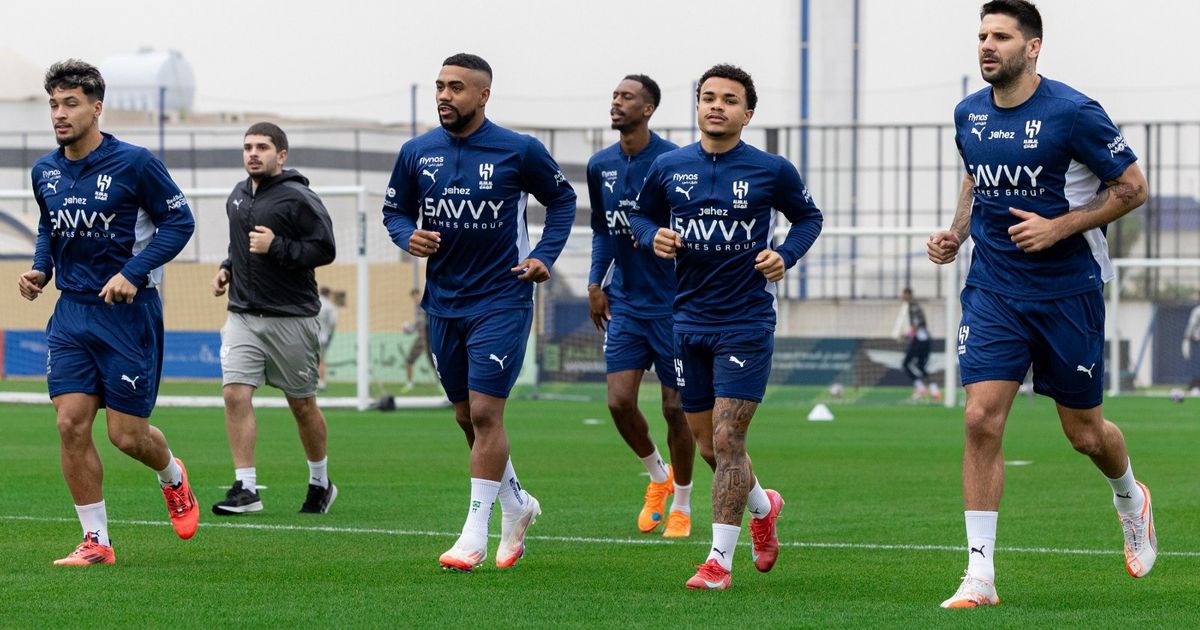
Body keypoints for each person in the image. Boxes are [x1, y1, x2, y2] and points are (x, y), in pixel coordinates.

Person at [928, 0, 1155, 608]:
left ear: (1032, 48)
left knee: (1084, 433)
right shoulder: (967, 114)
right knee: (980, 418)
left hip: (1068, 290)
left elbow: (1133, 187)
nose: (986, 45)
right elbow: (977, 176)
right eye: (981, 35)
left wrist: (1059, 227)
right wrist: (957, 233)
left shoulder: (1073, 112)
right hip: (994, 288)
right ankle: (980, 574)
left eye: (1001, 36)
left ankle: (1131, 497)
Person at [630, 64, 823, 590]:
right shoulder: (669, 167)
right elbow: (640, 217)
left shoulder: (771, 170)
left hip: (745, 321)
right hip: (686, 322)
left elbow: (809, 218)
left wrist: (785, 255)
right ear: (697, 106)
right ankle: (763, 507)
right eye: (708, 97)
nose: (717, 106)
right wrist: (653, 237)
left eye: (729, 100)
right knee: (709, 445)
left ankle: (718, 562)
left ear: (747, 113)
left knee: (728, 434)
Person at [382, 53, 577, 571]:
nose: (445, 96)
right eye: (440, 86)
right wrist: (407, 235)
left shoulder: (519, 150)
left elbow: (562, 201)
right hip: (443, 301)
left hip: (503, 297)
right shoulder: (416, 152)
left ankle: (473, 534)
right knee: (467, 415)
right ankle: (517, 505)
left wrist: (543, 256)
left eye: (457, 88)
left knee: (488, 412)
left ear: (484, 95)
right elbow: (394, 210)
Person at [17, 59, 199, 565]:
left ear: (97, 107)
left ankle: (173, 476)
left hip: (128, 315)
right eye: (54, 104)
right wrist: (39, 269)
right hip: (72, 314)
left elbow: (179, 223)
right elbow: (50, 228)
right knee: (70, 424)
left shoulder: (136, 163)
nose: (60, 113)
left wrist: (133, 272)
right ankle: (97, 541)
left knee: (126, 436)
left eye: (70, 103)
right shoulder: (45, 171)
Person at [587, 74, 696, 538]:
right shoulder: (600, 165)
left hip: (674, 305)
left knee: (676, 408)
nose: (616, 103)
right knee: (618, 402)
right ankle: (658, 477)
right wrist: (596, 281)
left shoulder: (672, 162)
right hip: (626, 303)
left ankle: (684, 505)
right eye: (614, 96)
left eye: (626, 97)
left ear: (648, 108)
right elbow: (602, 229)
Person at [210, 122, 338, 516]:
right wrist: (227, 267)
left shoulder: (300, 198)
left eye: (262, 147)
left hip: (291, 318)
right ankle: (246, 489)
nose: (253, 153)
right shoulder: (236, 196)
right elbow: (239, 244)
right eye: (248, 146)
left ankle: (320, 482)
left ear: (281, 155)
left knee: (301, 405)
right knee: (234, 392)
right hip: (243, 315)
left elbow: (325, 248)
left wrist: (276, 246)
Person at [891, 287, 939, 400]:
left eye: (905, 295)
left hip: (920, 341)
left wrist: (907, 335)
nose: (903, 297)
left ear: (909, 295)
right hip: (924, 340)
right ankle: (934, 390)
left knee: (905, 364)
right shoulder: (911, 306)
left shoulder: (913, 307)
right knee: (920, 366)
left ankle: (921, 387)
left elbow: (918, 324)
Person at [403, 287, 429, 393]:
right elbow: (417, 325)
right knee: (408, 361)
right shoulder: (417, 310)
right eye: (413, 297)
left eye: (416, 295)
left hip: (429, 339)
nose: (415, 298)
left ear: (419, 295)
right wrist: (408, 329)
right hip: (421, 339)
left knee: (435, 364)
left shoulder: (426, 305)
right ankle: (409, 384)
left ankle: (440, 385)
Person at [316, 286, 338, 390]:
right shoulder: (330, 306)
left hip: (310, 337)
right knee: (321, 360)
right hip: (323, 337)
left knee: (309, 360)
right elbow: (333, 322)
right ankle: (321, 382)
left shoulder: (314, 303)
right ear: (328, 294)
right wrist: (329, 333)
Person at [1182, 290, 1200, 393]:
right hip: (1198, 341)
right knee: (1196, 365)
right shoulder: (1197, 311)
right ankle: (1196, 386)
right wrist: (1186, 340)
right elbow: (1191, 326)